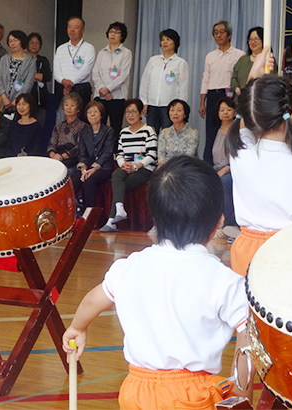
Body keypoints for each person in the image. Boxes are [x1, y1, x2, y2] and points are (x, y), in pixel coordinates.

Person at [63, 155, 252, 410]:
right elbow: (247, 343)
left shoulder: (129, 266)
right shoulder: (225, 282)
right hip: (191, 396)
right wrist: (241, 393)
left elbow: (92, 300)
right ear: (218, 223)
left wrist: (78, 327)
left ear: (154, 216)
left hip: (135, 390)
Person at [225, 52, 292, 277]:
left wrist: (256, 68)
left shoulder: (239, 156)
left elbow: (246, 110)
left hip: (245, 253)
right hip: (290, 255)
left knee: (250, 310)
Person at [100, 99, 157, 233]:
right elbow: (119, 153)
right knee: (116, 174)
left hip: (143, 169)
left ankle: (111, 221)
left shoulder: (148, 130)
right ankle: (120, 209)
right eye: (127, 112)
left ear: (140, 113)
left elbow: (152, 154)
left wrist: (136, 167)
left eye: (133, 112)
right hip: (127, 167)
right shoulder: (124, 132)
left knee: (120, 186)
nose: (130, 115)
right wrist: (123, 164)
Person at [200, 21, 245, 165]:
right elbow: (205, 79)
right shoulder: (210, 56)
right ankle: (209, 164)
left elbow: (239, 78)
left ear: (229, 35)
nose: (218, 35)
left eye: (222, 32)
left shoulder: (239, 54)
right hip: (212, 95)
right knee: (212, 130)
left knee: (232, 127)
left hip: (230, 96)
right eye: (215, 32)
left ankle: (232, 160)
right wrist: (202, 102)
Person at [139, 29, 189, 135]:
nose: (164, 42)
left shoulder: (181, 63)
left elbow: (183, 87)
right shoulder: (153, 60)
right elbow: (145, 82)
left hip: (170, 107)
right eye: (162, 40)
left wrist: (180, 108)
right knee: (151, 134)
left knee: (169, 135)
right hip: (152, 105)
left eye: (168, 39)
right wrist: (144, 102)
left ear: (175, 42)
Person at [72, 100, 115, 217]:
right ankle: (71, 214)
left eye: (95, 112)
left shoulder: (108, 131)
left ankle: (90, 216)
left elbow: (108, 153)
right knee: (74, 181)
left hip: (104, 167)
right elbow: (82, 153)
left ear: (101, 114)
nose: (92, 114)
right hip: (87, 165)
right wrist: (83, 169)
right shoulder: (84, 131)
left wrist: (94, 168)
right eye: (89, 112)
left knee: (89, 182)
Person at [93, 22, 132, 138]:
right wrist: (102, 90)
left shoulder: (126, 53)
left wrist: (108, 89)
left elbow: (123, 75)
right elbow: (95, 73)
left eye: (117, 32)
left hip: (117, 97)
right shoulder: (101, 52)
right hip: (100, 96)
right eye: (111, 31)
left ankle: (114, 153)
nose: (113, 34)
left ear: (122, 35)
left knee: (115, 128)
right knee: (99, 126)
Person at [53, 17, 96, 119]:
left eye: (76, 27)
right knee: (60, 118)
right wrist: (63, 81)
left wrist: (70, 84)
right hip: (62, 88)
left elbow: (86, 69)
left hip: (81, 89)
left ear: (83, 30)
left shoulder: (89, 48)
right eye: (69, 27)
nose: (72, 30)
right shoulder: (61, 48)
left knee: (81, 120)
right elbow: (56, 69)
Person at [212, 97, 238, 230]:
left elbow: (239, 155)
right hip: (215, 168)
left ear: (235, 112)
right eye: (222, 110)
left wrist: (225, 169)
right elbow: (207, 154)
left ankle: (228, 224)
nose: (225, 112)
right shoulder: (213, 131)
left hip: (232, 169)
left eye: (229, 109)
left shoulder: (238, 130)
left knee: (224, 182)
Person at [0, 30, 36, 113]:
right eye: (10, 41)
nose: (12, 43)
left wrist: (16, 101)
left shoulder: (30, 61)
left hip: (21, 104)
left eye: (15, 40)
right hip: (3, 102)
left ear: (22, 41)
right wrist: (4, 98)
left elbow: (28, 84)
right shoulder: (4, 59)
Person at [231, 27, 277, 99]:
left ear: (263, 40)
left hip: (260, 99)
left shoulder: (269, 60)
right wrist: (237, 89)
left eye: (256, 38)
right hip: (240, 100)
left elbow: (271, 80)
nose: (253, 42)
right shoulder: (242, 60)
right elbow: (234, 78)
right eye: (251, 39)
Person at [47, 92, 87, 175]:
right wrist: (53, 155)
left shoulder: (83, 126)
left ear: (78, 109)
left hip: (72, 159)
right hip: (56, 157)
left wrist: (62, 157)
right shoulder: (59, 125)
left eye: (72, 105)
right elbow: (52, 143)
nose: (68, 108)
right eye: (66, 105)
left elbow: (79, 147)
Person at [157, 99, 198, 166]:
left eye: (179, 110)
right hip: (166, 168)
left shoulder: (193, 133)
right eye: (172, 110)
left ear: (185, 114)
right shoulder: (164, 132)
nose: (175, 113)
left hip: (185, 167)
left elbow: (189, 156)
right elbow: (161, 155)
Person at [27, 32, 52, 127]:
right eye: (31, 42)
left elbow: (47, 76)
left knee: (38, 129)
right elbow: (18, 79)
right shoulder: (22, 59)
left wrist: (33, 76)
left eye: (37, 43)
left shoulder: (43, 60)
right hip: (25, 101)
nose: (34, 45)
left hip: (41, 102)